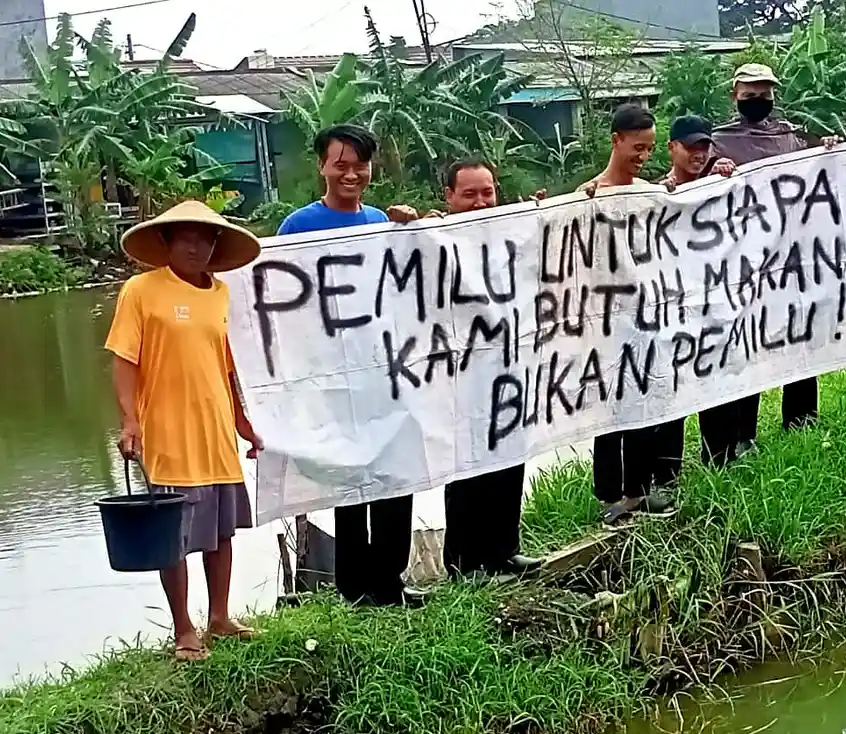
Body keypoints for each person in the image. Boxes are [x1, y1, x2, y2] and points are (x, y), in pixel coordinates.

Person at [106, 200, 263, 662]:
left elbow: (226, 368)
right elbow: (123, 361)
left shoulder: (220, 294)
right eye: (186, 236)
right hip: (167, 432)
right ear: (167, 242)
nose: (196, 246)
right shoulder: (141, 291)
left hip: (215, 430)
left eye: (205, 237)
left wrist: (243, 423)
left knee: (221, 530)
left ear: (216, 245)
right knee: (172, 534)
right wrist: (130, 419)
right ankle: (183, 629)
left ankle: (220, 616)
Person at [277, 124, 427, 607]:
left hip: (385, 372)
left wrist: (410, 231)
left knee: (394, 474)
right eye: (340, 164)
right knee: (348, 480)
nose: (351, 174)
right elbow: (279, 303)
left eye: (359, 165)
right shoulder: (297, 228)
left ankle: (390, 580)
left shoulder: (383, 221)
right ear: (322, 166)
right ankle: (353, 585)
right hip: (330, 380)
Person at [386, 159, 543, 578]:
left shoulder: (511, 233)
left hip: (509, 366)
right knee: (469, 467)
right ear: (449, 197)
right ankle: (464, 560)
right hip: (457, 372)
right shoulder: (437, 237)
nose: (480, 202)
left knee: (510, 457)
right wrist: (409, 224)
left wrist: (544, 217)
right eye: (469, 194)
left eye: (487, 192)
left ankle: (505, 549)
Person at [709, 63, 838, 460]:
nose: (758, 100)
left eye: (764, 94)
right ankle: (743, 431)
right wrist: (716, 171)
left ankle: (801, 419)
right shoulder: (719, 141)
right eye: (750, 94)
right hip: (743, 259)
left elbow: (817, 175)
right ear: (735, 95)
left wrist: (828, 151)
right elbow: (693, 183)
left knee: (799, 331)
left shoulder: (791, 137)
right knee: (748, 340)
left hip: (793, 254)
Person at [579, 103, 677, 529]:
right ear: (616, 140)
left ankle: (638, 490)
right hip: (602, 318)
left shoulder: (649, 194)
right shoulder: (588, 197)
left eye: (650, 148)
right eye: (638, 147)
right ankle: (610, 495)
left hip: (645, 315)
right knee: (609, 406)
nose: (643, 156)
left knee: (643, 401)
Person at [657, 115, 741, 471]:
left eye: (704, 147)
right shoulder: (655, 195)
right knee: (671, 390)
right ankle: (665, 473)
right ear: (672, 148)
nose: (698, 154)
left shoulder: (720, 184)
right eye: (691, 147)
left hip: (714, 306)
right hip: (672, 310)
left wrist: (726, 178)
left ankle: (721, 461)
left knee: (717, 383)